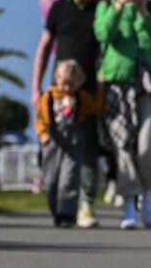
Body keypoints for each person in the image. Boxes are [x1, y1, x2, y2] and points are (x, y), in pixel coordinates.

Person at [94, 0, 151, 230]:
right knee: (122, 144)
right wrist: (118, 5)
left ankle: (147, 194)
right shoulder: (105, 6)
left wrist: (142, 12)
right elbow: (102, 34)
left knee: (147, 144)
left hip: (146, 81)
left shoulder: (149, 7)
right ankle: (128, 202)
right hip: (117, 82)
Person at [32, 0, 103, 228]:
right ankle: (56, 201)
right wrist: (35, 87)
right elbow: (44, 47)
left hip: (89, 91)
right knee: (52, 150)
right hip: (59, 92)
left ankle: (84, 203)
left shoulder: (102, 9)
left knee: (86, 152)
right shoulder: (59, 8)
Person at [35, 60, 105, 227]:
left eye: (71, 85)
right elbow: (40, 119)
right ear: (57, 79)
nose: (67, 89)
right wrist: (43, 134)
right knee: (51, 179)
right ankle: (56, 210)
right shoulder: (49, 97)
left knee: (70, 178)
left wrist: (101, 90)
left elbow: (96, 107)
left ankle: (66, 214)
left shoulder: (81, 97)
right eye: (64, 84)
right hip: (53, 142)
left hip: (74, 141)